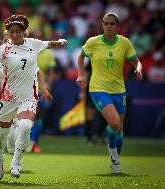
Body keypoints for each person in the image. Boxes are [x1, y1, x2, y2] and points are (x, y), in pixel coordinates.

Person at [0, 14, 67, 179]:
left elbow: (48, 44)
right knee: (1, 135)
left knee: (25, 127)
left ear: (24, 32)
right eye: (11, 32)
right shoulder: (4, 49)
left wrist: (60, 42)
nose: (14, 35)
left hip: (29, 96)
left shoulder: (33, 44)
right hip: (8, 98)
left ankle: (15, 162)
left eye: (17, 32)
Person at [76, 12, 143, 174]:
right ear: (102, 25)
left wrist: (139, 68)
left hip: (119, 90)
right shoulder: (93, 42)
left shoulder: (125, 43)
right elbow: (81, 56)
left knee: (119, 129)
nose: (108, 26)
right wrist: (80, 74)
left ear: (117, 26)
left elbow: (136, 61)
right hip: (98, 89)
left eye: (112, 24)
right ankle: (112, 150)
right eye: (106, 23)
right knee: (114, 123)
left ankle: (114, 159)